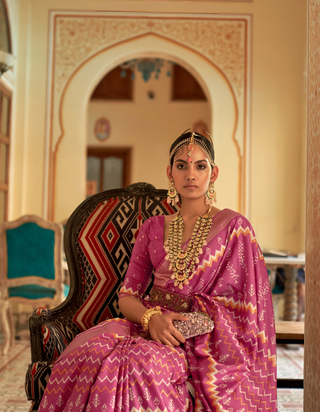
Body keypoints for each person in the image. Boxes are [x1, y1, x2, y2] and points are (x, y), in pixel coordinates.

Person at [38, 131, 277, 412]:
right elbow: (127, 297)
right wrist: (151, 319)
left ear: (213, 173)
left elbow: (248, 310)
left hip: (196, 341)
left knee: (137, 364)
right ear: (170, 172)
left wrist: (188, 325)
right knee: (87, 350)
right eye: (181, 165)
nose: (191, 174)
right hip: (146, 322)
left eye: (200, 166)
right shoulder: (153, 226)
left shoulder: (235, 227)